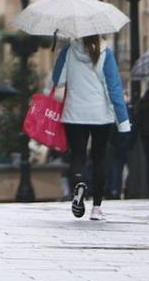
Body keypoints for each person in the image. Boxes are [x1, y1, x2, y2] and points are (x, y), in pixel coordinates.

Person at [51, 35, 131, 221]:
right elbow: (114, 88)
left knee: (78, 155)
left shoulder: (68, 51)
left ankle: (79, 183)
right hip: (100, 115)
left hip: (74, 113)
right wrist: (123, 121)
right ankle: (96, 208)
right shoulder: (105, 53)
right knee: (99, 158)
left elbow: (58, 79)